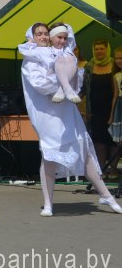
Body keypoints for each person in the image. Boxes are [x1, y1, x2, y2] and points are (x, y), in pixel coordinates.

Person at [18, 22, 122, 216]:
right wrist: (59, 82)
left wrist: (61, 32)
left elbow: (69, 43)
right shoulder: (31, 59)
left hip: (67, 110)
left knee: (84, 152)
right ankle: (48, 203)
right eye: (39, 34)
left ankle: (107, 196)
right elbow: (39, 85)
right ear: (31, 37)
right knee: (49, 155)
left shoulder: (59, 54)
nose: (43, 36)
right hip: (48, 114)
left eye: (45, 33)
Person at [84, 39, 117, 176]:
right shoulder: (89, 66)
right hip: (95, 110)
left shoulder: (115, 65)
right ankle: (101, 169)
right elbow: (84, 88)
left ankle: (113, 169)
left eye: (102, 48)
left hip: (113, 108)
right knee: (98, 139)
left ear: (107, 49)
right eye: (96, 49)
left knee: (114, 139)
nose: (99, 51)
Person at [109, 47, 122, 178]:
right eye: (117, 58)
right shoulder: (116, 76)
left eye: (121, 58)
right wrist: (112, 115)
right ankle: (113, 168)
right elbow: (115, 96)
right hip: (120, 107)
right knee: (119, 141)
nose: (119, 60)